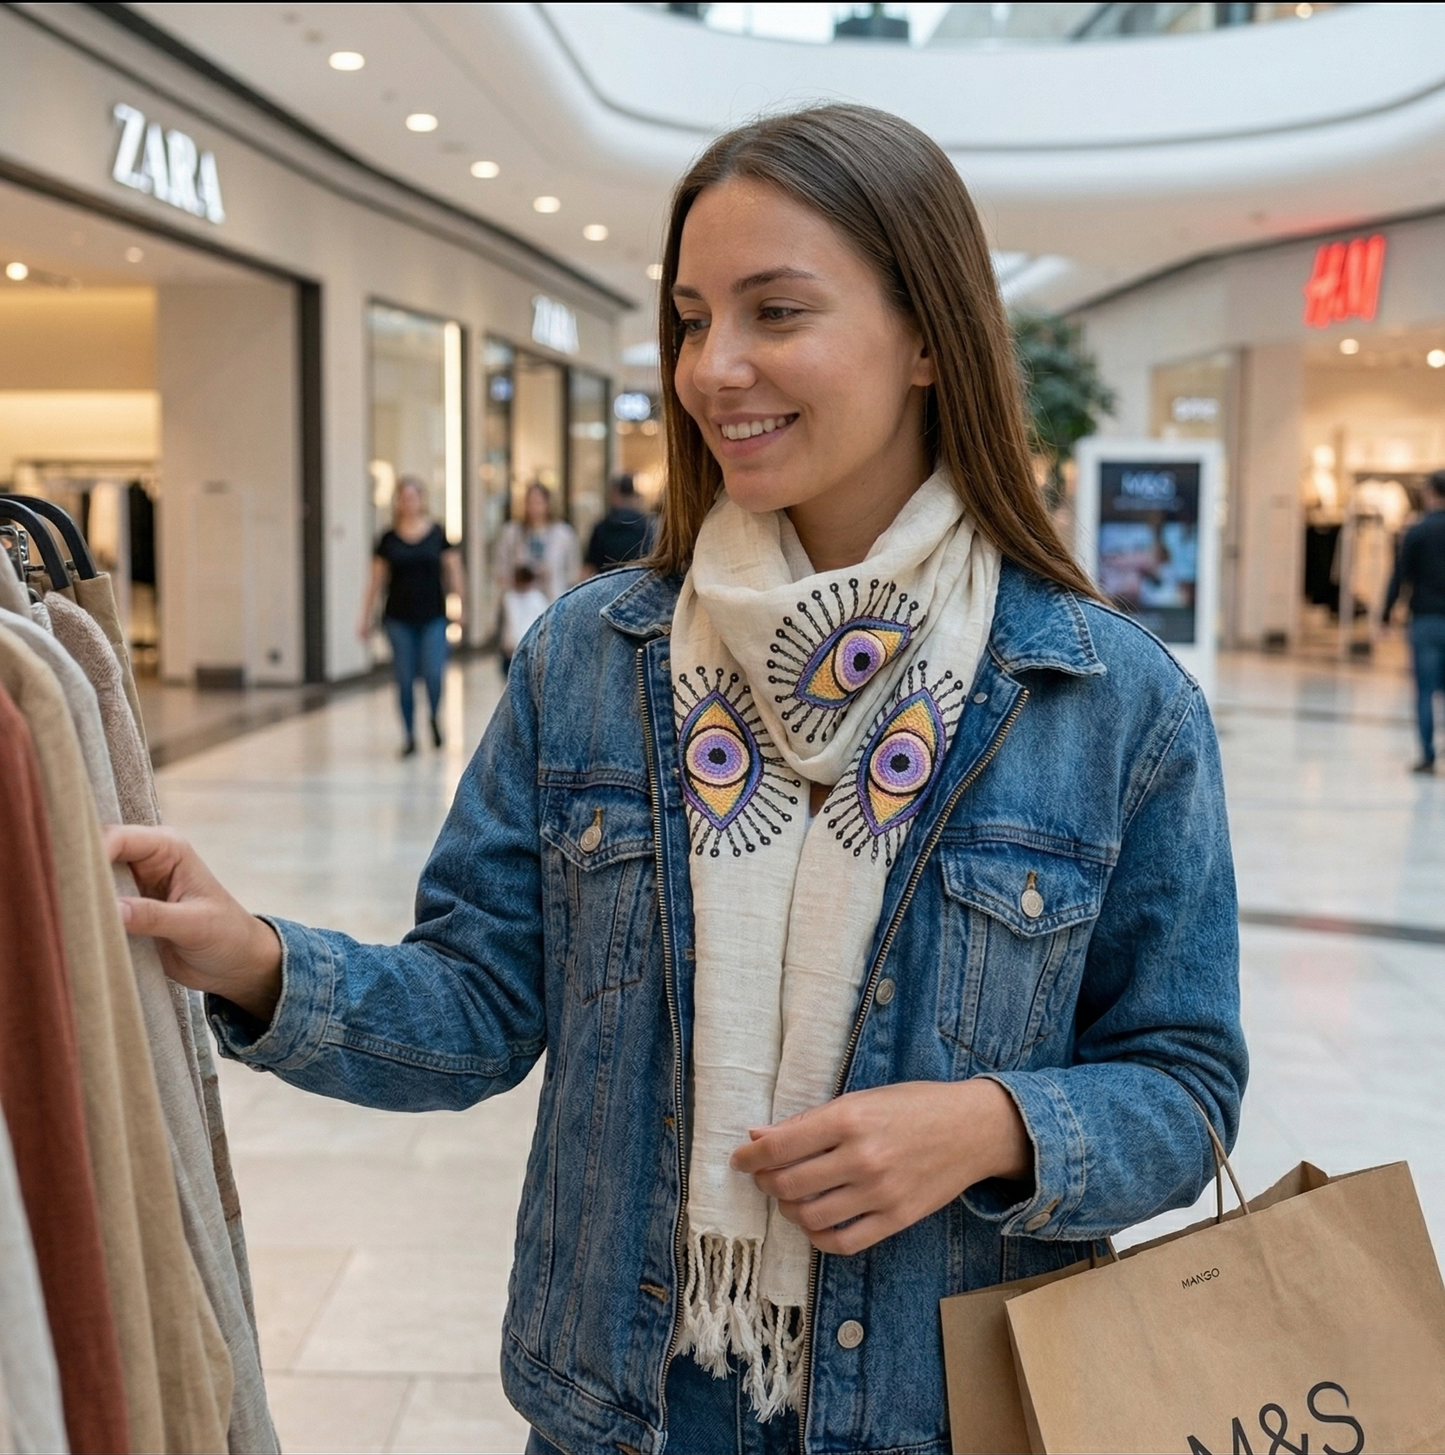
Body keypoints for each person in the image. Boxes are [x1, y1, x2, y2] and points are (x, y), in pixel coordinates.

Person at [108, 106, 1245, 1454]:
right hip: (631, 1404)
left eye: (776, 311)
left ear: (930, 337)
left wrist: (989, 1123)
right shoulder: (593, 657)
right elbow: (480, 1001)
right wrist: (256, 960)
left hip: (943, 1411)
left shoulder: (1105, 699)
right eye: (693, 318)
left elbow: (1182, 1082)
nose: (715, 368)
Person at [359, 477, 464, 757]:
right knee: (404, 679)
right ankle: (408, 735)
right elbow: (376, 581)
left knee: (433, 673)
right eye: (403, 497)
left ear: (422, 500)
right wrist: (364, 617)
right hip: (398, 618)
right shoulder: (388, 539)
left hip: (433, 615)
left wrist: (461, 607)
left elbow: (454, 572)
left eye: (414, 496)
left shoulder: (437, 534)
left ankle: (433, 716)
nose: (409, 502)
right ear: (398, 502)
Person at [1384, 469, 1445, 774]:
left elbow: (1400, 576)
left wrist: (1384, 613)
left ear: (1431, 493)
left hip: (1425, 621)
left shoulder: (1418, 531)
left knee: (1424, 691)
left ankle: (1427, 755)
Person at [495, 482, 580, 602]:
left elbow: (572, 571)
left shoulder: (563, 534)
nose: (534, 508)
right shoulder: (512, 533)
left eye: (538, 502)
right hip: (521, 604)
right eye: (530, 502)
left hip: (553, 600)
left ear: (548, 504)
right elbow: (502, 570)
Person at [582, 473, 656, 576]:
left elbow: (590, 565)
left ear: (614, 494)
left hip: (606, 583)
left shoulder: (602, 527)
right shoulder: (645, 525)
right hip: (636, 581)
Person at [498, 563, 549, 678]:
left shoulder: (538, 599)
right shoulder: (508, 598)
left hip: (532, 649)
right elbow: (507, 623)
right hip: (511, 648)